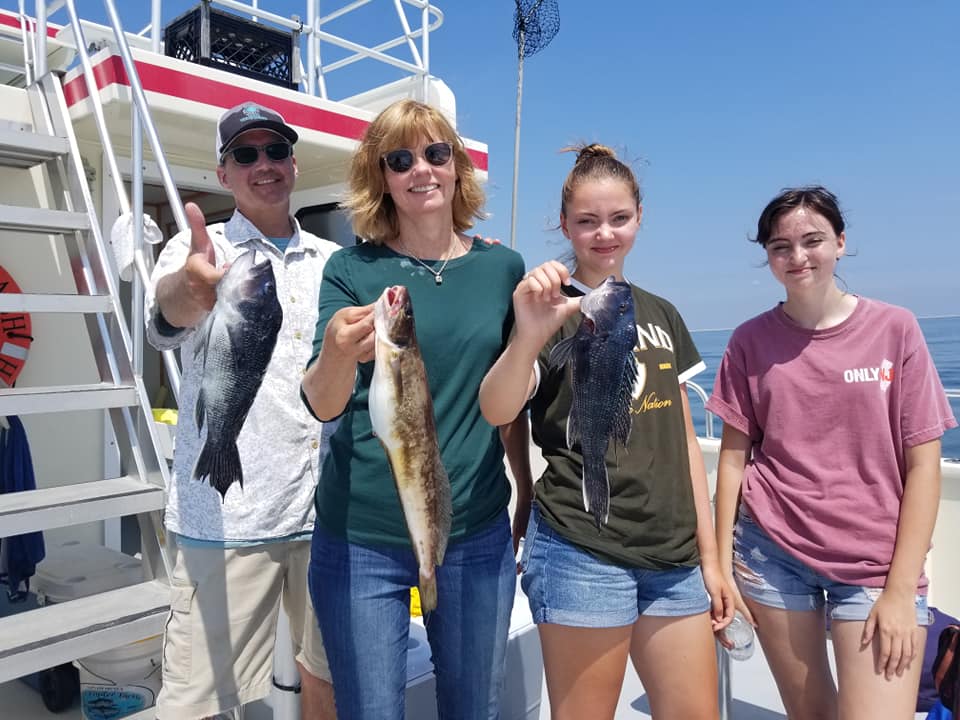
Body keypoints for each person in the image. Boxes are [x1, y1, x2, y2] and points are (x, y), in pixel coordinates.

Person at [478, 144, 733, 720]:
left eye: (618, 218)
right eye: (587, 221)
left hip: (674, 557)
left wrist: (710, 558)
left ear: (639, 217)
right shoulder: (545, 310)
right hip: (581, 550)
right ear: (564, 225)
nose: (604, 234)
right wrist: (528, 333)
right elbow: (498, 410)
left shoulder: (662, 313)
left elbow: (685, 442)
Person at [299, 98, 531, 720]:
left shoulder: (501, 267)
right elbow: (322, 404)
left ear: (457, 166)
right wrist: (337, 353)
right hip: (361, 535)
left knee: (472, 709)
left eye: (435, 153)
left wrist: (525, 495)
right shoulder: (349, 268)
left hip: (475, 527)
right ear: (382, 177)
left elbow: (510, 402)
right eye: (399, 159)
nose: (420, 170)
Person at [708, 186, 958, 719]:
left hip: (874, 562)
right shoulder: (749, 340)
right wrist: (722, 565)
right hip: (770, 552)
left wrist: (897, 592)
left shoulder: (897, 329)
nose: (797, 257)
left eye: (812, 240)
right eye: (780, 247)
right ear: (768, 257)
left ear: (840, 243)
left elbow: (923, 467)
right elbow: (732, 459)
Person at [145, 102, 340, 720]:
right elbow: (164, 321)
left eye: (275, 152)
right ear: (223, 172)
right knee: (195, 704)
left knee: (327, 681)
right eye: (245, 155)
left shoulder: (334, 262)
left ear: (293, 163)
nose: (264, 165)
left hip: (322, 515)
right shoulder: (194, 249)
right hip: (225, 517)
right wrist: (192, 292)